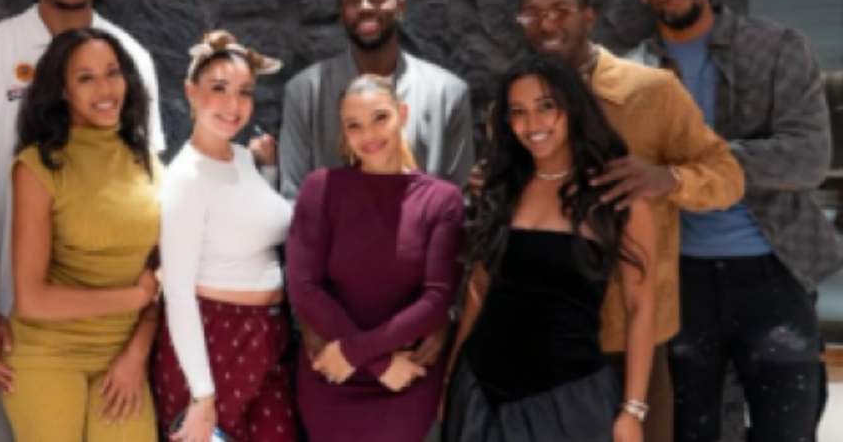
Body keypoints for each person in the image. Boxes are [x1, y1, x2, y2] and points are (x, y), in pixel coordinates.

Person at [0, 0, 164, 439]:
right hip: (17, 309)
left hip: (115, 330)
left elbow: (148, 203)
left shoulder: (131, 55)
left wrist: (140, 328)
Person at [511, 0, 745, 441]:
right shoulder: (517, 101)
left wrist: (668, 178)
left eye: (560, 10)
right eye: (533, 14)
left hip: (628, 334)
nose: (547, 23)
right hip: (541, 334)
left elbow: (728, 177)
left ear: (589, 16)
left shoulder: (651, 92)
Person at [628, 0, 840, 441]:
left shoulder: (776, 47)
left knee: (787, 428)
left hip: (774, 269)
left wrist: (688, 169)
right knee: (686, 431)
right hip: (678, 278)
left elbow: (809, 158)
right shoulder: (630, 71)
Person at [445, 53, 657, 442]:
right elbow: (478, 290)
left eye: (546, 107)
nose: (533, 124)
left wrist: (633, 409)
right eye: (518, 112)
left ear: (573, 108)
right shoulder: (501, 187)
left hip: (569, 403)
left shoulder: (615, 196)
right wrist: (450, 381)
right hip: (479, 395)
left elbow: (640, 305)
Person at [0, 28, 161, 441]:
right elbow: (32, 299)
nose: (105, 89)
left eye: (112, 72)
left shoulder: (147, 161)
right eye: (86, 78)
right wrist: (134, 297)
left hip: (122, 350)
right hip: (47, 353)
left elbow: (162, 278)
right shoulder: (37, 166)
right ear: (63, 91)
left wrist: (137, 353)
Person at [286, 74, 465, 442]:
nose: (368, 134)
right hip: (332, 373)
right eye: (354, 125)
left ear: (403, 114)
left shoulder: (441, 200)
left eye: (380, 117)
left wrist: (358, 354)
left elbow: (437, 298)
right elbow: (304, 287)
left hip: (405, 381)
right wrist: (376, 362)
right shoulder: (321, 188)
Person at [150, 31, 296, 442]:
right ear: (191, 92)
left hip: (268, 337)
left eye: (244, 92)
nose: (233, 105)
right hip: (215, 340)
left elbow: (254, 221)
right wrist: (201, 394)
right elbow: (178, 292)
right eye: (219, 88)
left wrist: (268, 170)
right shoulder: (186, 178)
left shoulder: (245, 159)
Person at [279, 0, 472, 199]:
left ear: (400, 6)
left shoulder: (448, 93)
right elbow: (294, 196)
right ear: (342, 14)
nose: (365, 7)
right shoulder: (304, 92)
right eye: (353, 1)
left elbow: (458, 199)